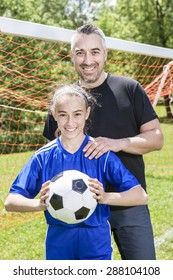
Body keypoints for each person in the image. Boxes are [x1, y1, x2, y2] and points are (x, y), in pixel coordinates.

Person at [43, 24, 164, 260]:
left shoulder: (129, 89)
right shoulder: (64, 101)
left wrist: (118, 143)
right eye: (80, 52)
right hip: (78, 207)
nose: (88, 60)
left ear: (105, 54)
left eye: (95, 52)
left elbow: (157, 138)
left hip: (129, 202)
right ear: (72, 56)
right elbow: (51, 152)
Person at [4, 85, 148, 260]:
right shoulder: (43, 157)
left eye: (77, 114)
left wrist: (104, 197)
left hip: (96, 243)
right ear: (54, 114)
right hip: (58, 242)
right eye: (63, 114)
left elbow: (140, 195)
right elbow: (11, 201)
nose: (70, 122)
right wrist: (40, 204)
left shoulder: (101, 154)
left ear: (87, 113)